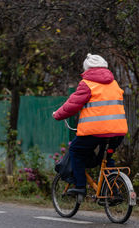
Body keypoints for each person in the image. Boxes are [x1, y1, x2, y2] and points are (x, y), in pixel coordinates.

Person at [52, 53, 128, 196]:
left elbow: (72, 105)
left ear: (87, 69)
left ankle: (80, 186)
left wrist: (57, 115)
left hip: (95, 132)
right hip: (118, 132)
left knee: (75, 151)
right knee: (107, 159)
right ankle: (114, 191)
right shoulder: (114, 84)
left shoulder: (87, 84)